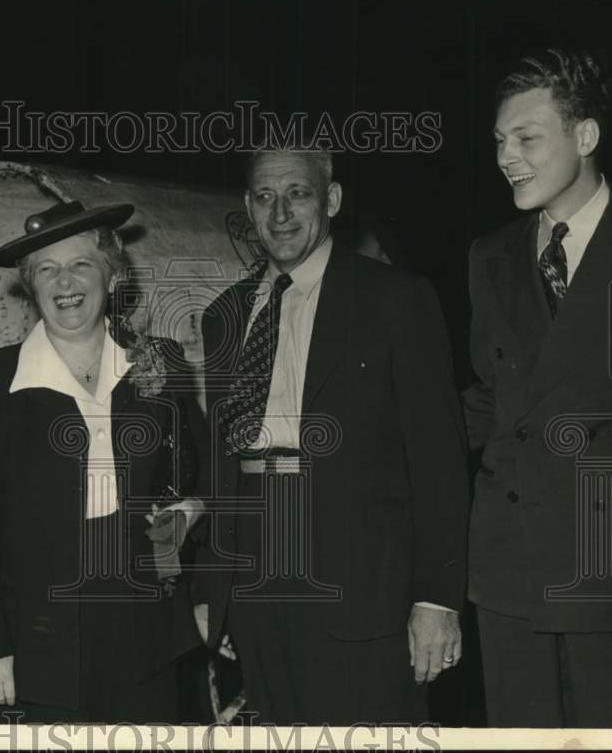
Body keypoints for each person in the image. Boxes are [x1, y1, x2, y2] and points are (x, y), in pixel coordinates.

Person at [192, 146, 469, 724]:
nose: (281, 213)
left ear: (333, 200)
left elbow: (439, 462)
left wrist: (436, 597)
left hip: (361, 589)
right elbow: (221, 468)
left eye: (299, 193)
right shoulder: (223, 314)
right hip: (253, 585)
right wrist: (213, 591)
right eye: (265, 197)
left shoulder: (396, 299)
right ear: (248, 206)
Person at [464, 49, 612, 727]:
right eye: (499, 141)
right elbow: (488, 405)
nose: (506, 157)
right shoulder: (489, 256)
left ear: (585, 137)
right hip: (507, 580)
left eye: (526, 138)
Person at [0, 199, 207, 722]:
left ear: (112, 277)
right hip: (39, 634)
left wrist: (191, 515)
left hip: (148, 629)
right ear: (31, 285)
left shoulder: (160, 362)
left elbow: (200, 476)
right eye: (46, 268)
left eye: (80, 264)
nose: (63, 280)